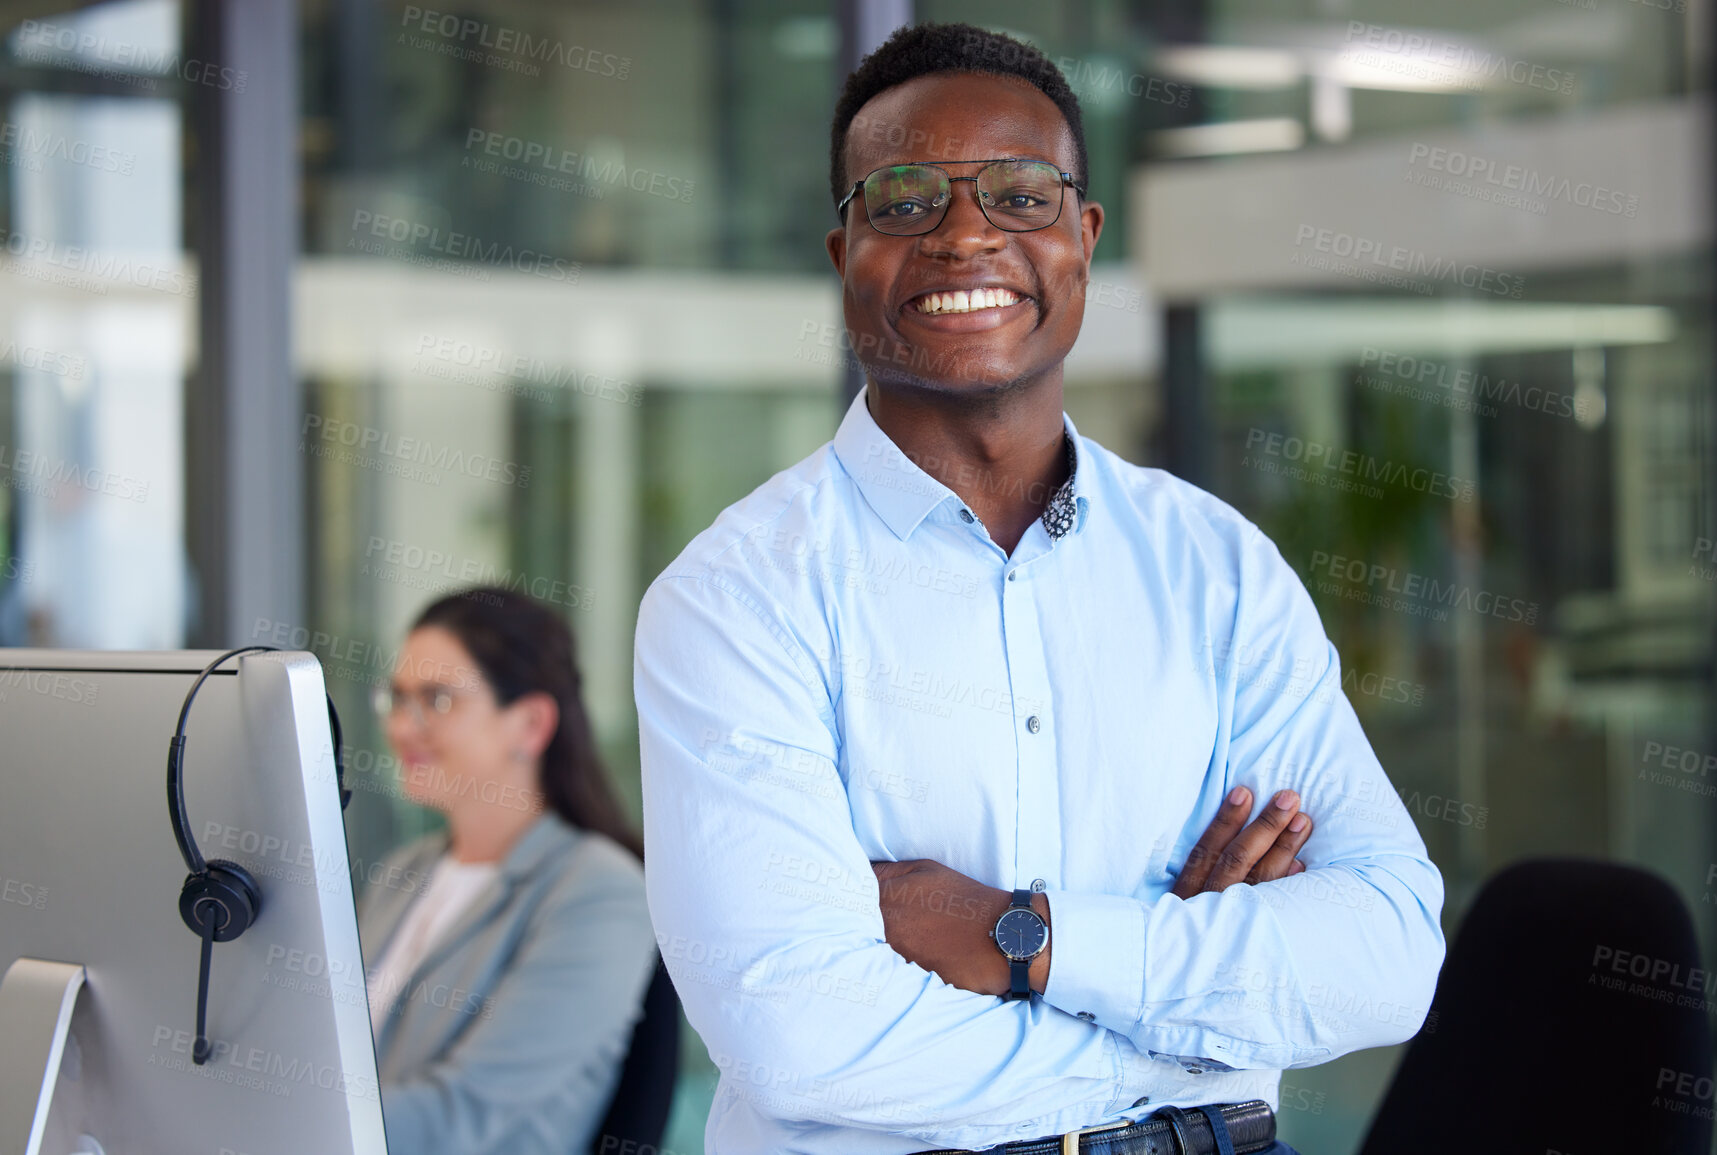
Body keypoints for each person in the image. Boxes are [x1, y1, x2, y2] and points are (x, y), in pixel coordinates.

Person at [634, 21, 1445, 1155]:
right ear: (843, 256)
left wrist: (1022, 938)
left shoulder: (1217, 569)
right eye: (906, 198)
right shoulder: (735, 598)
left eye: (1021, 195)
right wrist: (1198, 1038)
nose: (966, 234)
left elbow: (1388, 957)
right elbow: (800, 1033)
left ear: (1083, 239)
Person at [359, 587, 657, 1155]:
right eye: (397, 698)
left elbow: (462, 1116)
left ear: (530, 724)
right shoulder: (402, 873)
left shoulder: (599, 892)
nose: (402, 726)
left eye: (437, 700)